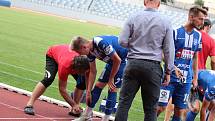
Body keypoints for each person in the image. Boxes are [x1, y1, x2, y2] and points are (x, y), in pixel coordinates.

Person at [114, 0, 175, 120]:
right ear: (158, 4)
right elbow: (168, 49)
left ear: (144, 2)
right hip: (153, 66)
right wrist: (168, 71)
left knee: (124, 104)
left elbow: (121, 41)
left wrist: (135, 44)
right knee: (151, 108)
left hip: (133, 63)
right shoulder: (165, 21)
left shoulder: (133, 17)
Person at [157, 6, 207, 121]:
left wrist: (195, 78)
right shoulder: (175, 33)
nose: (202, 22)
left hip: (186, 81)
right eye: (200, 19)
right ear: (191, 17)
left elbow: (195, 56)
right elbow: (163, 54)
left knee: (180, 111)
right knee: (160, 108)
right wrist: (173, 68)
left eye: (203, 20)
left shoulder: (198, 35)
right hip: (169, 79)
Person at [71, 35, 128, 121]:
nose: (80, 55)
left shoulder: (100, 43)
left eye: (79, 52)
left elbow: (118, 60)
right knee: (98, 86)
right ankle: (87, 115)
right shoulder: (89, 52)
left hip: (122, 61)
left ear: (84, 47)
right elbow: (93, 71)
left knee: (112, 88)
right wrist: (88, 91)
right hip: (112, 62)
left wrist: (111, 78)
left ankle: (105, 118)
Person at [24, 44, 90, 116]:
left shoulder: (86, 63)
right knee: (48, 79)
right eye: (82, 72)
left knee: (82, 82)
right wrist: (73, 104)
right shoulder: (65, 66)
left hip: (65, 56)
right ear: (76, 69)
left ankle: (74, 109)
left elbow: (88, 80)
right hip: (52, 55)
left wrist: (87, 93)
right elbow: (62, 89)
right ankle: (29, 104)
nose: (83, 74)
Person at [185, 18, 215, 121]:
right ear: (208, 27)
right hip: (198, 76)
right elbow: (214, 60)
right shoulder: (211, 40)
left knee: (195, 107)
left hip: (187, 72)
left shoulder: (192, 34)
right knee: (196, 108)